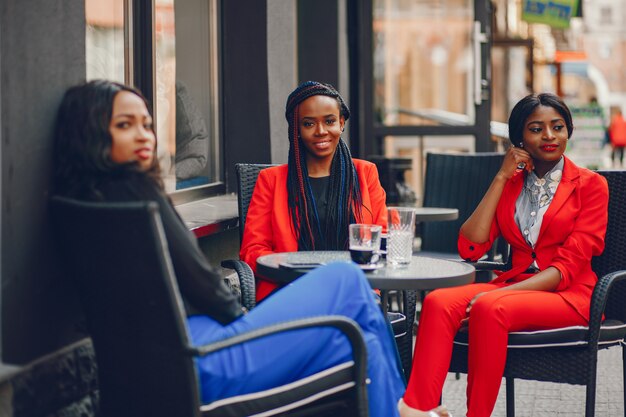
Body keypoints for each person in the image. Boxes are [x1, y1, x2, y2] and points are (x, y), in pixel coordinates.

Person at [52, 80, 406, 417]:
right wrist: (249, 328)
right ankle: (406, 407)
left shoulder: (81, 203)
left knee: (363, 343)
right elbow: (205, 287)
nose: (144, 135)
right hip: (205, 357)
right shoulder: (141, 199)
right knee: (346, 278)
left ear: (342, 123)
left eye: (147, 123)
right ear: (93, 132)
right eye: (125, 125)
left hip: (160, 365)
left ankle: (401, 408)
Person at [399, 93, 609, 417]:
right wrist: (500, 177)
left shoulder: (591, 186)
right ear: (519, 139)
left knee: (488, 306)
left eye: (558, 127)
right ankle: (418, 409)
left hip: (570, 295)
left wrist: (497, 294)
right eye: (536, 128)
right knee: (438, 302)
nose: (549, 136)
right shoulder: (512, 185)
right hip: (514, 286)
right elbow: (471, 246)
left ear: (569, 131)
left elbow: (568, 268)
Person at [240, 81, 388, 300]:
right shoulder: (270, 180)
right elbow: (253, 250)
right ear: (296, 129)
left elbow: (382, 238)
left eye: (329, 121)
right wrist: (296, 270)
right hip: (290, 289)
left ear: (341, 122)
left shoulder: (365, 173)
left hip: (352, 287)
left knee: (364, 312)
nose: (321, 131)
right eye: (308, 124)